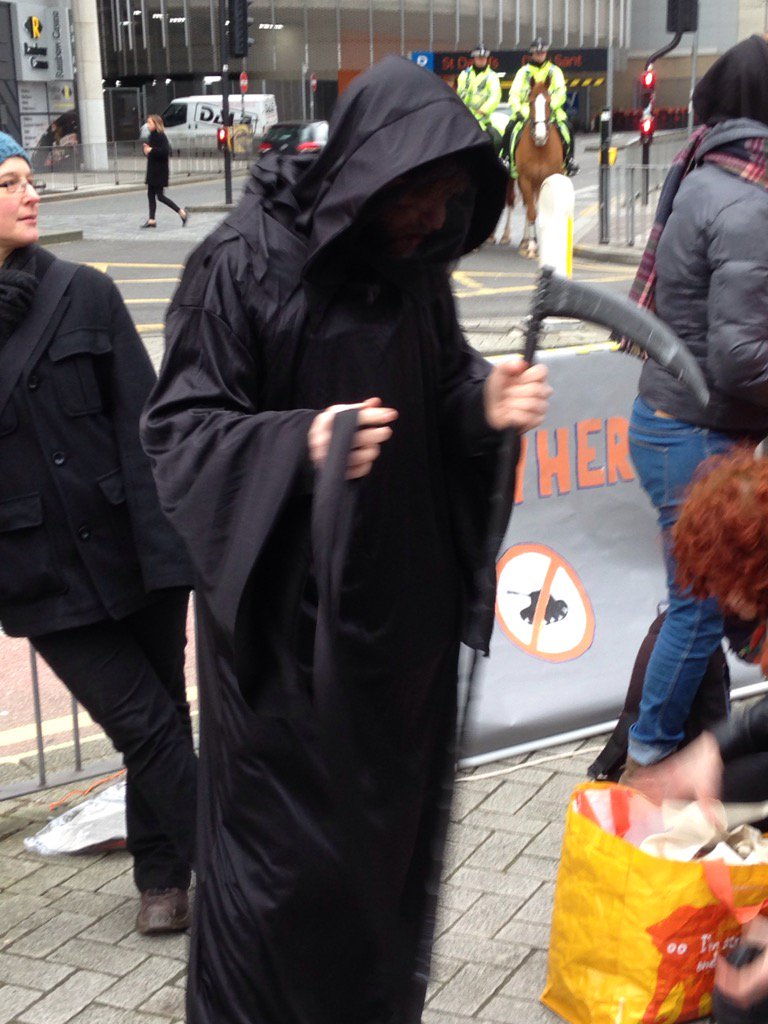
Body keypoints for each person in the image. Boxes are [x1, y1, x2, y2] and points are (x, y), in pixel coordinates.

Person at [141, 56, 551, 1024]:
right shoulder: (239, 265)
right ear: (366, 172)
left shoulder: (415, 269)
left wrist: (483, 402)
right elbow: (180, 432)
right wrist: (302, 444)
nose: (429, 222)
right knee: (278, 887)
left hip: (396, 650)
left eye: (448, 203)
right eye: (414, 198)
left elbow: (442, 383)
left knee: (380, 880)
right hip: (286, 654)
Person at [0, 131, 197, 935]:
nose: (30, 193)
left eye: (28, 178)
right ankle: (251, 880)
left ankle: (162, 882)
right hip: (41, 575)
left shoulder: (85, 292)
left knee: (164, 719)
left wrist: (170, 557)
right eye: (8, 183)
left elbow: (144, 429)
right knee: (145, 725)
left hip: (134, 551)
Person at [618, 33, 768, 785]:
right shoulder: (749, 200)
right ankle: (647, 761)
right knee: (700, 608)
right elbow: (742, 354)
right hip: (697, 430)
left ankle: (683, 748)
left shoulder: (708, 172)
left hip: (675, 420)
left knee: (696, 603)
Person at [508, 37, 578, 176]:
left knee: (568, 129)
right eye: (537, 53)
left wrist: (550, 106)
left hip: (550, 112)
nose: (540, 55)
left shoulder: (555, 71)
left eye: (542, 52)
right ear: (532, 54)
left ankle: (569, 160)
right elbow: (514, 94)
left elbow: (561, 92)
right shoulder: (523, 72)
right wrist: (519, 110)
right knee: (510, 130)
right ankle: (508, 160)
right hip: (527, 113)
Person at [141, 114, 188, 229]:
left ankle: (181, 212)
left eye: (150, 122)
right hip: (153, 169)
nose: (147, 125)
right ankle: (152, 220)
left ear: (156, 124)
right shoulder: (152, 136)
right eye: (147, 122)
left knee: (160, 196)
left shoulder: (161, 136)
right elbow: (152, 153)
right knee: (150, 194)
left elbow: (165, 151)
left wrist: (151, 150)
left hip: (159, 171)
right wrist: (146, 151)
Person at [457, 45, 502, 136]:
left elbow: (495, 96)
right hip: (463, 117)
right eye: (479, 58)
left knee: (496, 138)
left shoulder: (492, 76)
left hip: (482, 119)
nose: (482, 60)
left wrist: (484, 110)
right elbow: (458, 94)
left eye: (484, 58)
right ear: (474, 58)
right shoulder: (464, 74)